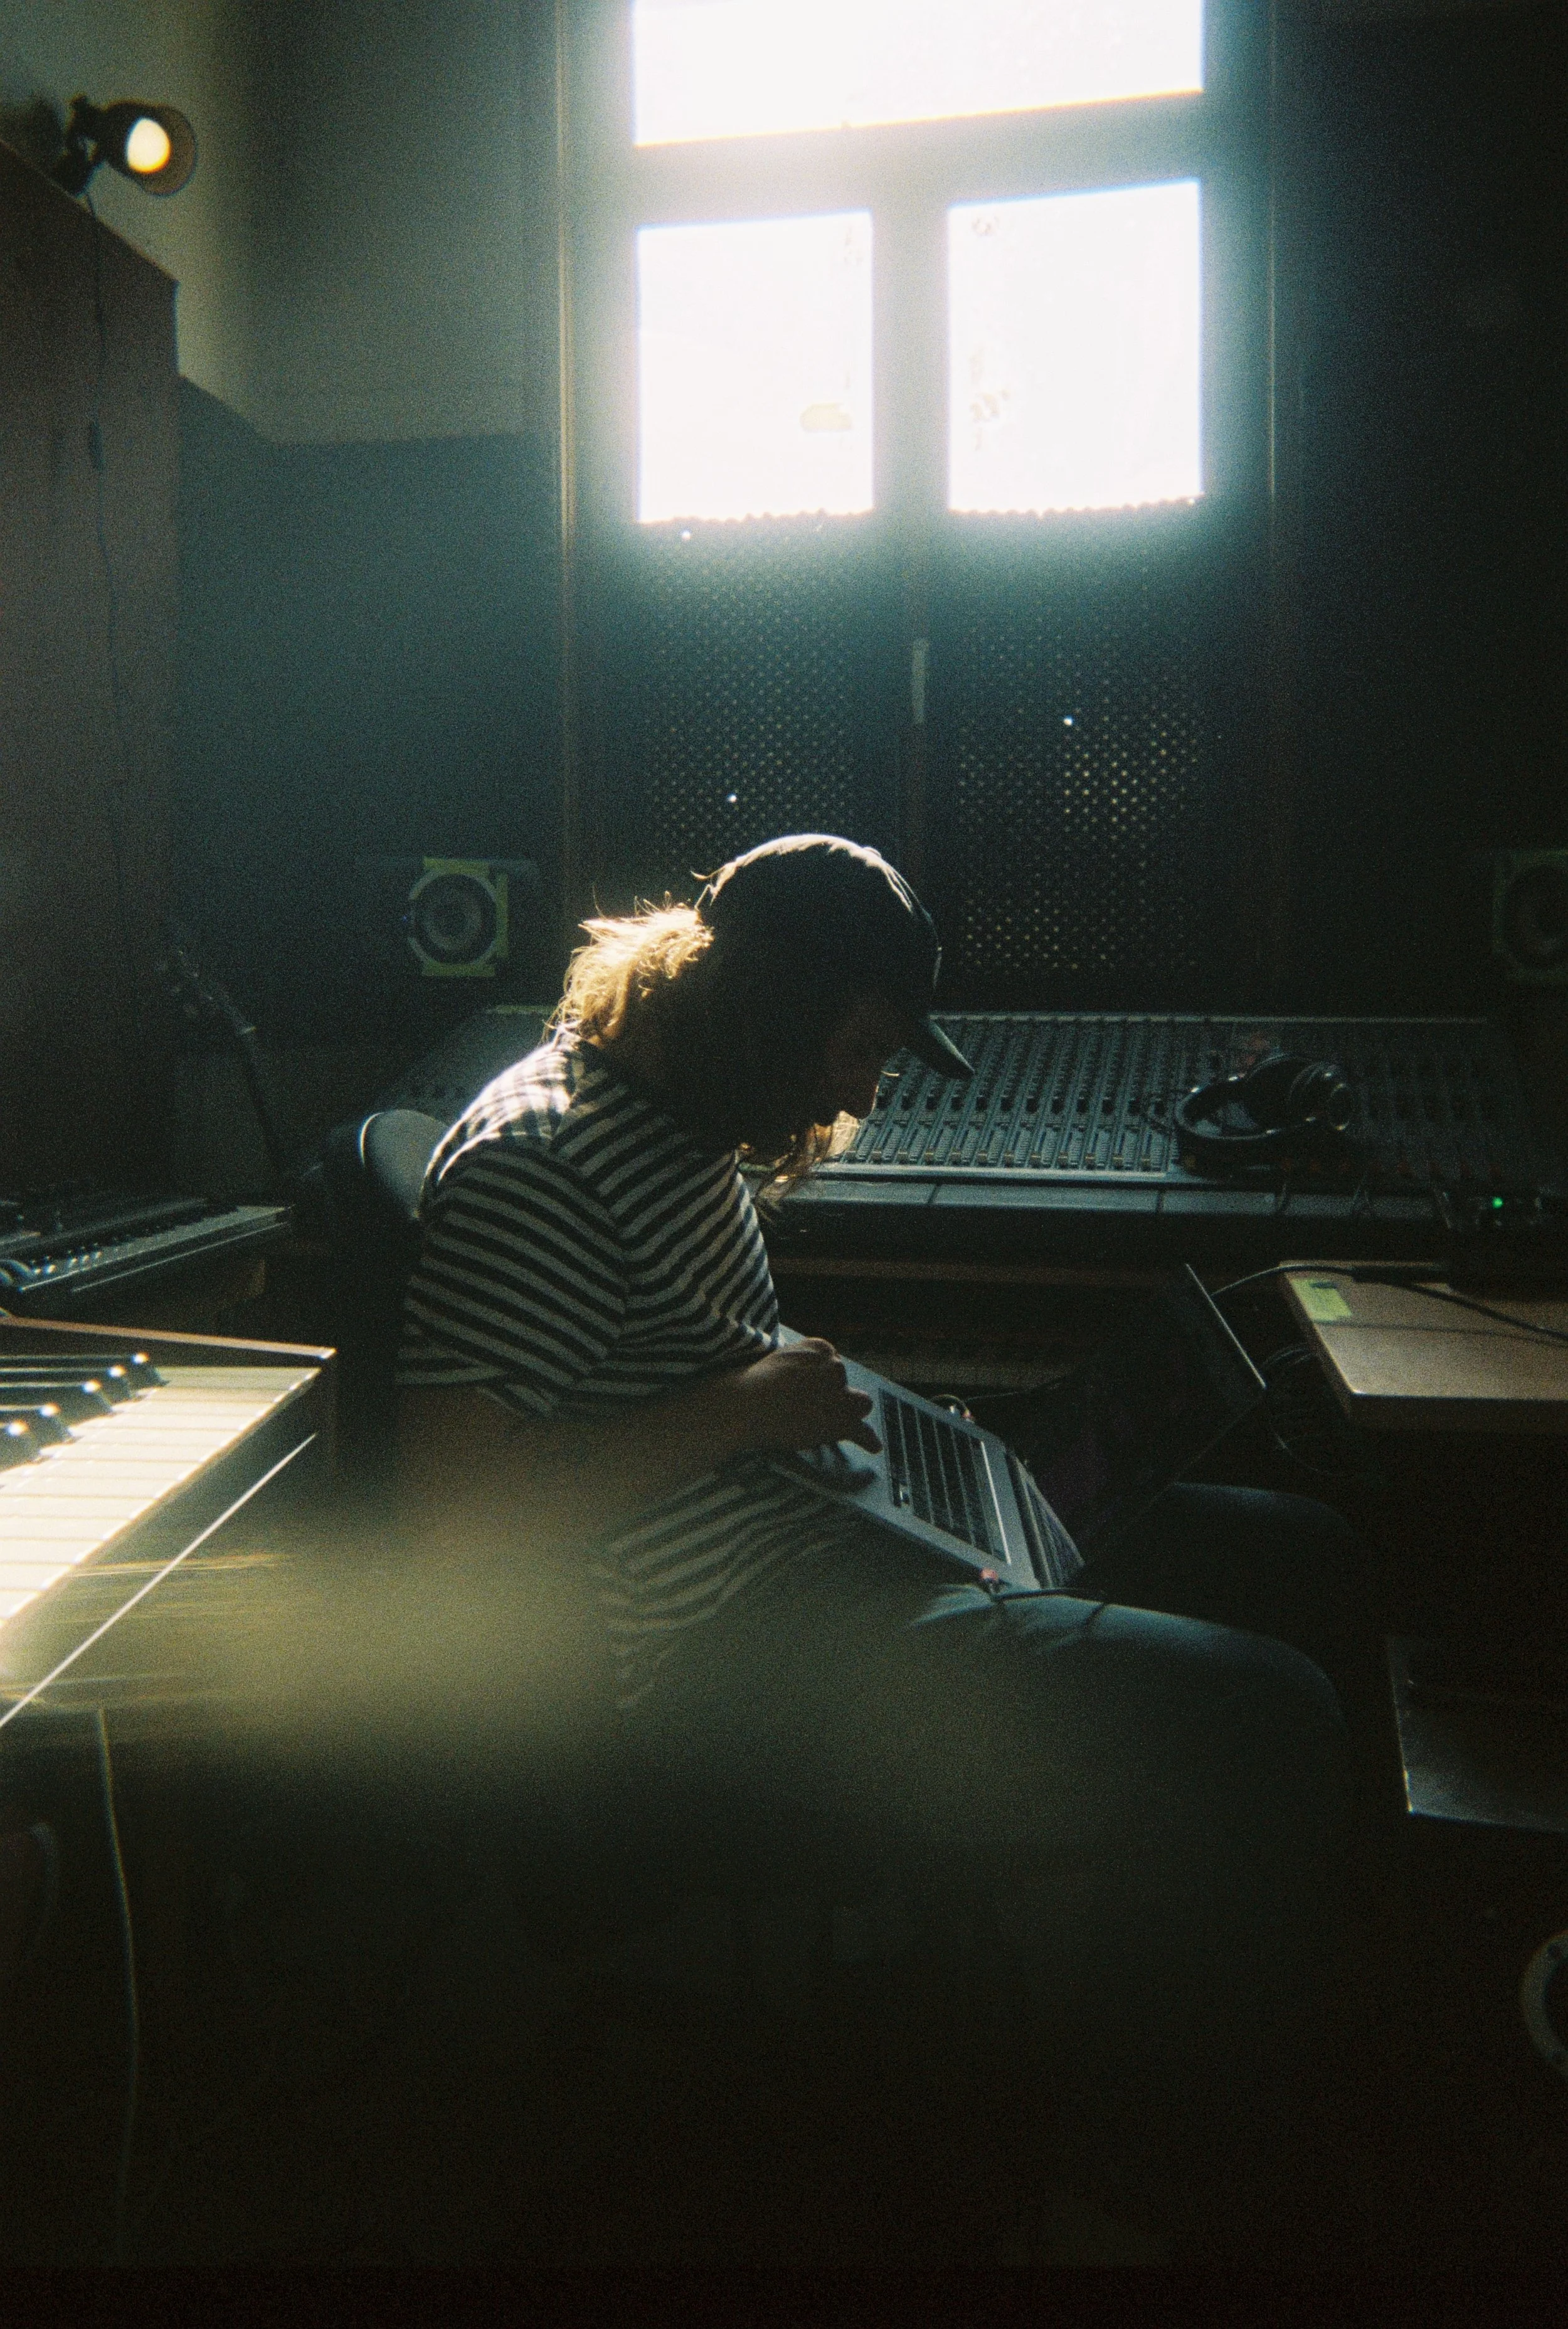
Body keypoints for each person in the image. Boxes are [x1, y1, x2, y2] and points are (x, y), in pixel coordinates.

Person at [395, 834, 1368, 2260]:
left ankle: (1309, 2062)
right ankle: (1133, 2180)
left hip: (803, 1558)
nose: (861, 1090)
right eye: (854, 1048)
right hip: (697, 1677)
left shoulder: (667, 1122)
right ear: (769, 1009)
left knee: (1296, 1557)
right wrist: (741, 1409)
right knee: (1256, 1712)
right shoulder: (544, 1158)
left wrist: (841, 1422)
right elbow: (453, 1513)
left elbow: (657, 1370)